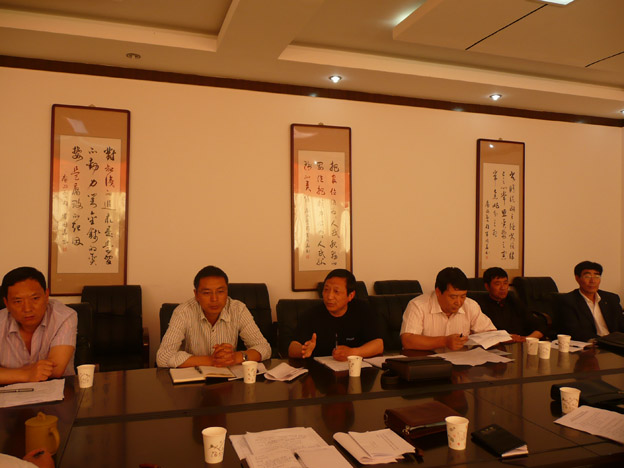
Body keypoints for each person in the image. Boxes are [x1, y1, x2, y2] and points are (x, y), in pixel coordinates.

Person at [156, 266, 271, 368]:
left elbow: (264, 348)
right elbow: (163, 357)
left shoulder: (238, 309)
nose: (214, 299)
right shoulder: (183, 312)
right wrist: (212, 360)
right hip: (193, 379)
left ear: (227, 291)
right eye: (207, 293)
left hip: (229, 379)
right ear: (196, 294)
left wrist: (235, 357)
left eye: (220, 292)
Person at [0, 267, 77, 385]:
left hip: (57, 391)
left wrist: (8, 374)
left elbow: (56, 370)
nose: (27, 309)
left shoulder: (64, 317)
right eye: (18, 301)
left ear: (46, 295)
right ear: (6, 303)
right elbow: (39, 372)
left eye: (35, 298)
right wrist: (26, 375)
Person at [288, 269, 383, 360]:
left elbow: (378, 345)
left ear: (350, 295)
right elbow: (292, 348)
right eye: (326, 290)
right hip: (319, 369)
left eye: (336, 291)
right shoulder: (311, 314)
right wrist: (303, 350)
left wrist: (353, 352)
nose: (329, 296)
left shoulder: (362, 310)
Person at [400, 267, 495, 351]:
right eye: (453, 297)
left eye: (463, 296)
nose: (459, 302)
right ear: (438, 292)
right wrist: (445, 341)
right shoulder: (418, 306)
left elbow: (491, 334)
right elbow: (407, 340)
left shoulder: (470, 305)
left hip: (462, 362)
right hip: (428, 362)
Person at [556, 261, 624, 342]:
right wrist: (603, 341)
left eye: (597, 276)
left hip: (616, 343)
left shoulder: (611, 298)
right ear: (577, 278)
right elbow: (575, 331)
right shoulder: (568, 300)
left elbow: (621, 324)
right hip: (592, 344)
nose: (593, 281)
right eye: (587, 276)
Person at [477, 267, 546, 342]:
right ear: (487, 286)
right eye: (497, 284)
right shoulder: (480, 306)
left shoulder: (513, 300)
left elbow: (540, 326)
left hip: (522, 343)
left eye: (505, 283)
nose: (503, 288)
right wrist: (508, 338)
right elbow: (484, 335)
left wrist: (526, 339)